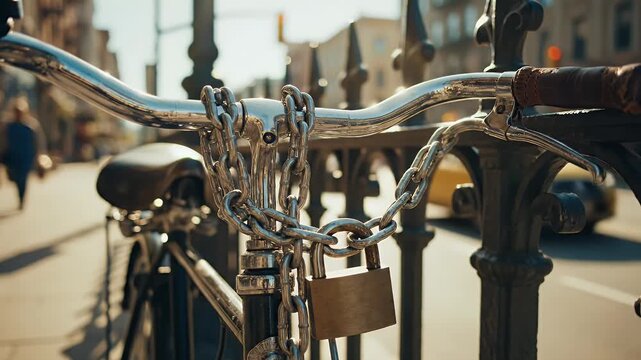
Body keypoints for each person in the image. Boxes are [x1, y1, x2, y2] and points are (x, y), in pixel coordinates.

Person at [1, 97, 45, 209]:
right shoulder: (8, 126)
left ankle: (22, 198)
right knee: (14, 177)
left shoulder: (30, 126)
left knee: (23, 178)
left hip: (26, 157)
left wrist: (40, 156)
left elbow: (38, 142)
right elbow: (3, 140)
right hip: (12, 157)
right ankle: (19, 194)